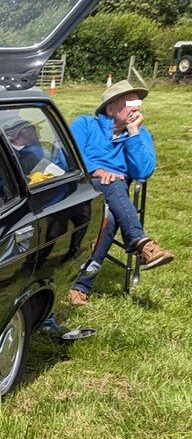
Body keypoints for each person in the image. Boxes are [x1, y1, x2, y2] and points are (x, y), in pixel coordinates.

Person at [67, 80, 172, 305]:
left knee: (110, 214)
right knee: (114, 183)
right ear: (110, 109)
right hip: (81, 185)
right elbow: (70, 155)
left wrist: (133, 134)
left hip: (114, 195)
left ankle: (80, 286)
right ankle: (140, 243)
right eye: (129, 103)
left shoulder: (140, 135)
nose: (136, 108)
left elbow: (143, 171)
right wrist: (96, 171)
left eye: (138, 104)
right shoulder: (85, 124)